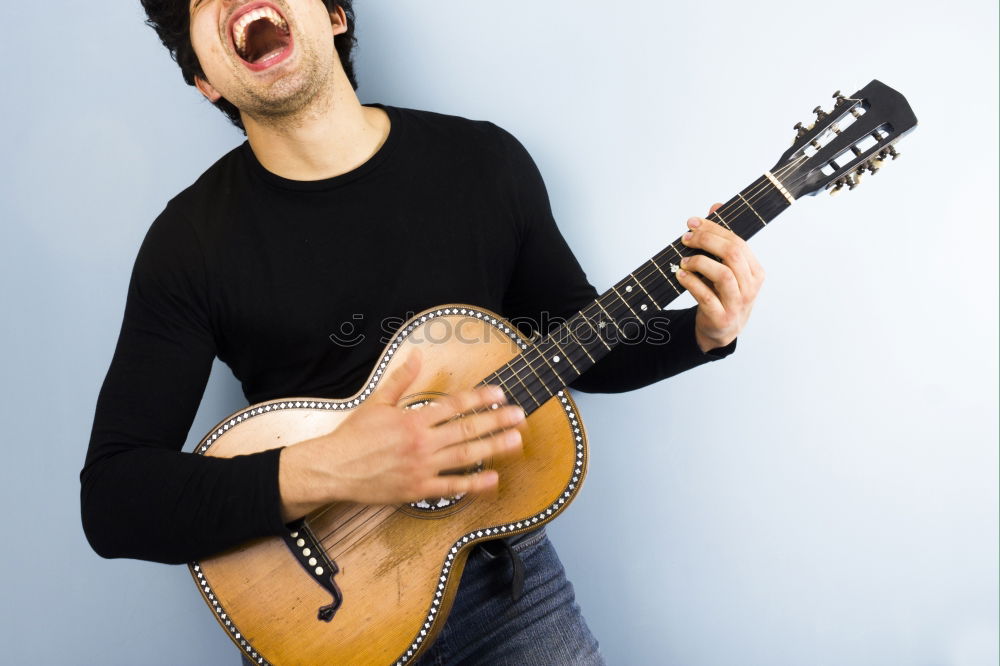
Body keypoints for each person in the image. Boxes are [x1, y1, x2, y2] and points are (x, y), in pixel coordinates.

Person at [81, 1, 765, 663]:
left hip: (507, 590)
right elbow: (114, 501)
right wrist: (334, 466)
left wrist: (702, 335)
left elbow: (574, 349)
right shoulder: (189, 245)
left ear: (334, 13)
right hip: (324, 623)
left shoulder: (484, 164)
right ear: (204, 78)